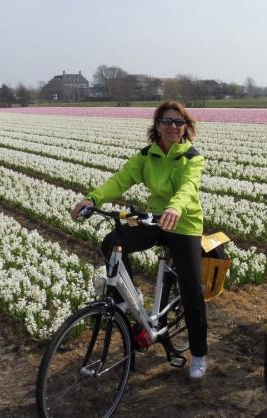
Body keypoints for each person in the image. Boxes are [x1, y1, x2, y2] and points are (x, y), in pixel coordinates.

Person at [71, 101, 208, 379]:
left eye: (179, 122)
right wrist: (92, 198)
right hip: (156, 219)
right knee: (113, 241)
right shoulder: (146, 156)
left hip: (184, 223)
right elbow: (121, 180)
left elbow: (188, 187)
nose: (173, 127)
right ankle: (124, 302)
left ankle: (199, 354)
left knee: (192, 290)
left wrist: (176, 207)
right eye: (167, 121)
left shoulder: (192, 158)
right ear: (157, 125)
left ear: (185, 128)